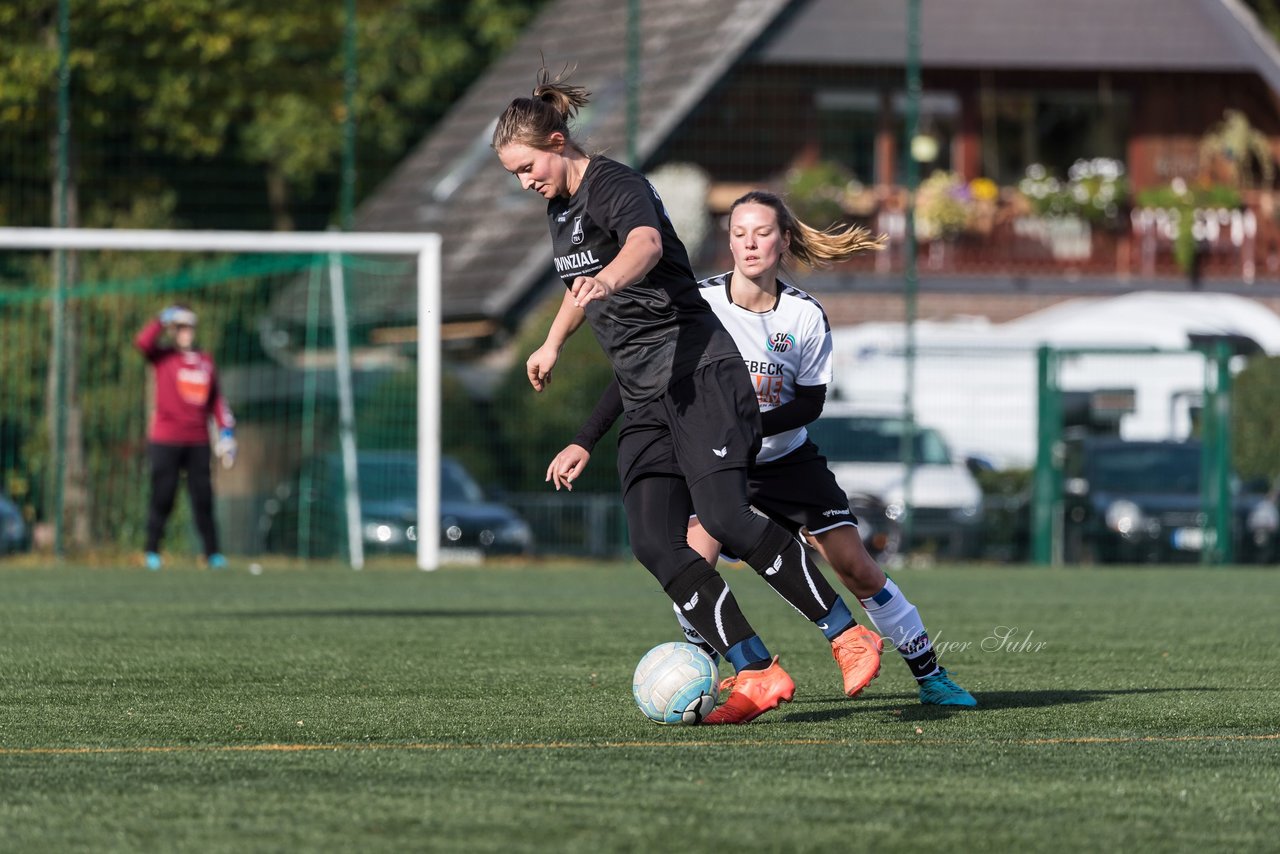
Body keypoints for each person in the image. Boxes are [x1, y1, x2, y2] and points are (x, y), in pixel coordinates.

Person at [494, 68, 882, 725]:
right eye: (515, 174)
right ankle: (757, 670)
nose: (525, 181)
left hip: (700, 374)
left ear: (558, 142)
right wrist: (553, 344)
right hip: (645, 395)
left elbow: (643, 244)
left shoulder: (616, 185)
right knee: (654, 542)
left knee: (727, 518)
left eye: (528, 166)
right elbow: (576, 283)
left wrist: (613, 280)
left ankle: (848, 631)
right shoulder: (559, 210)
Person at [547, 190, 977, 707]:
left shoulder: (805, 317)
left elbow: (811, 404)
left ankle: (930, 675)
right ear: (728, 242)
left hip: (783, 459)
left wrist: (747, 425)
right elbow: (638, 376)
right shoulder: (698, 303)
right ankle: (722, 683)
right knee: (689, 566)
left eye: (762, 233)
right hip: (714, 460)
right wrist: (585, 437)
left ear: (784, 241)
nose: (749, 245)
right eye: (738, 234)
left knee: (856, 566)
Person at [134, 305, 236, 570]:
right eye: (180, 328)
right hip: (166, 440)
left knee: (203, 498)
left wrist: (226, 433)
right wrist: (162, 318)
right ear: (173, 330)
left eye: (189, 327)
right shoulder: (164, 358)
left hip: (198, 440)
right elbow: (142, 342)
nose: (185, 333)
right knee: (163, 496)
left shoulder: (205, 361)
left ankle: (212, 553)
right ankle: (151, 551)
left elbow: (216, 401)